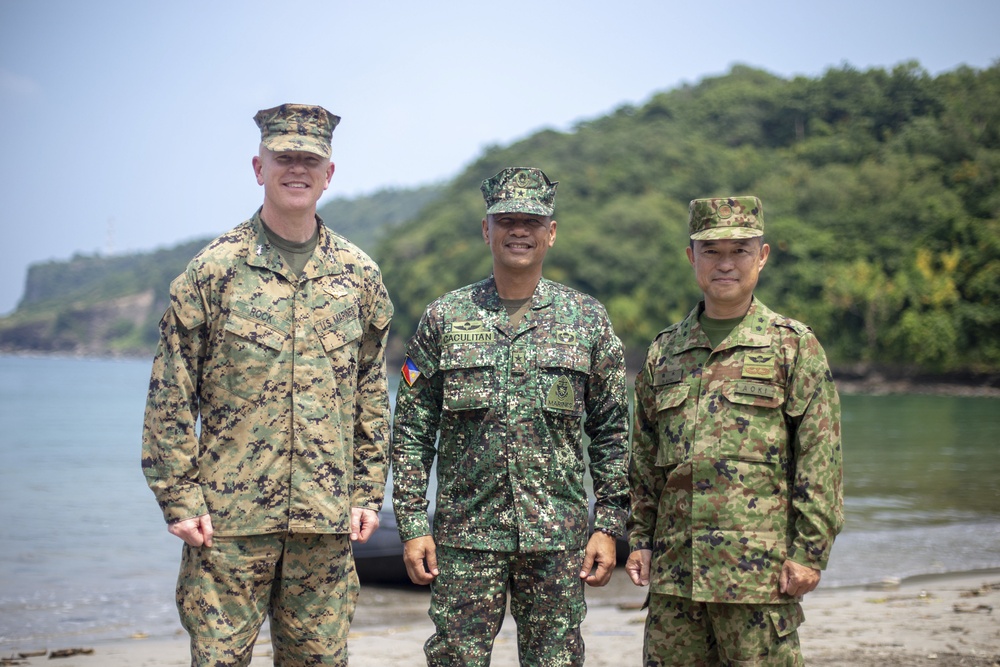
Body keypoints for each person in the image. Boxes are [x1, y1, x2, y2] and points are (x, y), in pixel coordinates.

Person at [141, 103, 393, 667]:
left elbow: (370, 394)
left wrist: (367, 492)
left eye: (310, 159)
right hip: (227, 525)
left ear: (330, 174)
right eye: (284, 158)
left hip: (324, 524)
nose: (296, 169)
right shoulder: (213, 270)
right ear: (259, 167)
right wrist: (177, 498)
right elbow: (171, 391)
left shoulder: (359, 276)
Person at [391, 167, 630, 666]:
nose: (518, 230)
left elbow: (611, 431)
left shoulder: (586, 319)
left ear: (551, 232)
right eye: (506, 220)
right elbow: (412, 429)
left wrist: (608, 523)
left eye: (532, 220)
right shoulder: (443, 319)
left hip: (557, 539)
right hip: (465, 539)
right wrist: (413, 523)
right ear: (486, 230)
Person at [626, 196, 844, 666]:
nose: (725, 263)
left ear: (761, 256)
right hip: (675, 581)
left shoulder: (792, 345)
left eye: (739, 250)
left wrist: (810, 552)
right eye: (711, 251)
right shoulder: (665, 352)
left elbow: (820, 458)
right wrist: (641, 540)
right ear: (692, 258)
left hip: (758, 579)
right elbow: (643, 458)